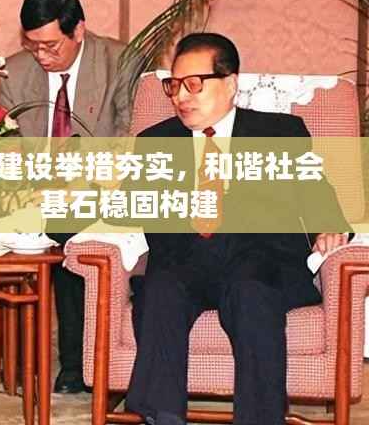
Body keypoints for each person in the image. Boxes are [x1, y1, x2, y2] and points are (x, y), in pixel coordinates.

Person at [124, 33, 351, 425]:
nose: (181, 97)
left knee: (251, 291)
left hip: (258, 261)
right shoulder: (156, 141)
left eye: (194, 84)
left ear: (230, 83)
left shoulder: (279, 133)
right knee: (161, 289)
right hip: (185, 260)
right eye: (174, 86)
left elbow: (314, 190)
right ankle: (163, 417)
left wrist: (329, 225)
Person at [0, 0, 133, 393]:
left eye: (51, 46)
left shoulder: (118, 62)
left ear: (79, 31)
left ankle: (75, 362)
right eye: (32, 45)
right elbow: (4, 144)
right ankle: (15, 353)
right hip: (36, 191)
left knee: (69, 225)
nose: (41, 56)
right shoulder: (15, 71)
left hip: (103, 188)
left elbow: (130, 138)